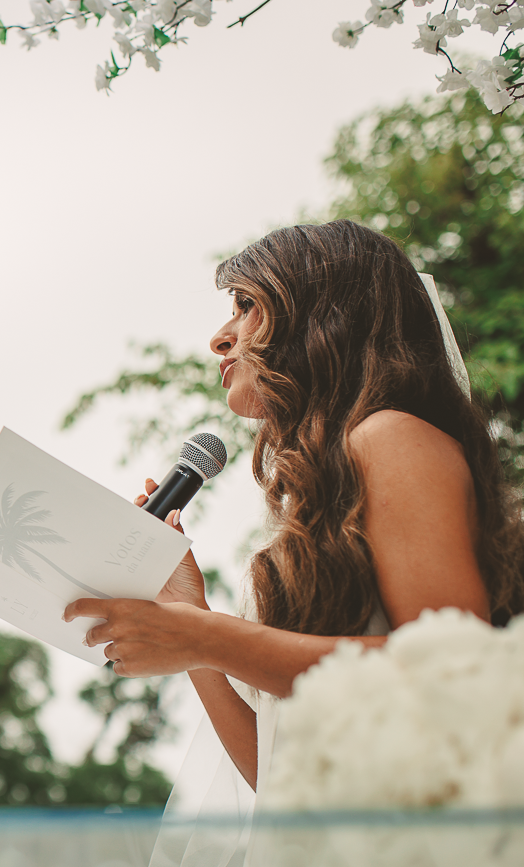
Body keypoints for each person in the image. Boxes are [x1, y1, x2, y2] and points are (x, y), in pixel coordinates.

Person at [63, 220, 524, 859]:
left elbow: (455, 674)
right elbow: (274, 775)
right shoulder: (319, 499)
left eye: (245, 305)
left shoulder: (391, 436)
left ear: (325, 316)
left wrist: (204, 636)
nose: (220, 337)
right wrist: (188, 613)